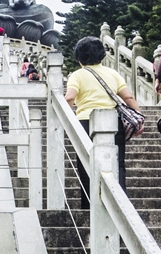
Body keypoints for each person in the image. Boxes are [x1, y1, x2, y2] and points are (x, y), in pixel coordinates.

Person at [65, 36, 142, 209]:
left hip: (85, 122)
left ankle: (89, 207)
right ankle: (120, 204)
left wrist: (66, 119)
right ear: (102, 56)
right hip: (113, 123)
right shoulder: (113, 73)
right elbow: (128, 97)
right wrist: (138, 117)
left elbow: (70, 97)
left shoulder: (77, 75)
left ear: (79, 58)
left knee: (86, 165)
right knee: (117, 164)